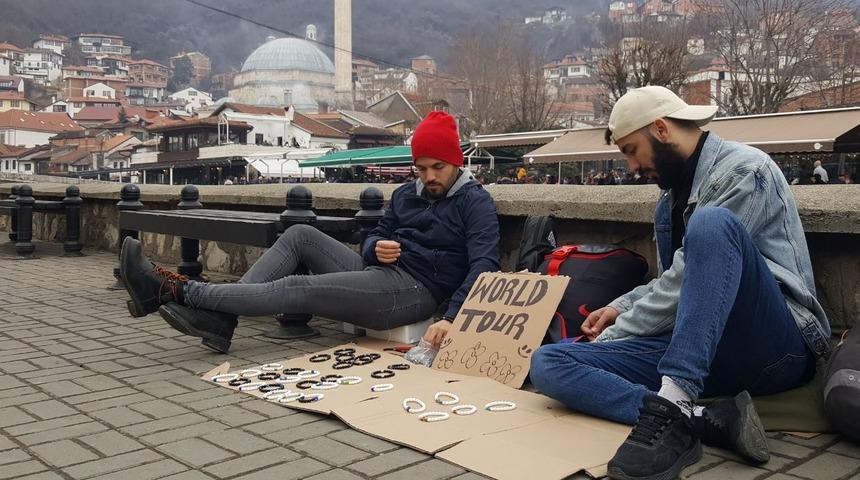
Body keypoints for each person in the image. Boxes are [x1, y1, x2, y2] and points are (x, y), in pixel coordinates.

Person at [529, 86, 830, 480]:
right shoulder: (668, 201)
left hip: (775, 349)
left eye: (631, 150)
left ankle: (673, 406)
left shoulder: (745, 170)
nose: (630, 167)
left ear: (660, 129)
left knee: (711, 224)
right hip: (704, 352)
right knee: (548, 362)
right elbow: (674, 279)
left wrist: (618, 331)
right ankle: (700, 418)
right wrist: (621, 306)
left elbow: (683, 281)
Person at [119, 111, 500, 353]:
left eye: (438, 167)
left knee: (298, 289)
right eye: (421, 168)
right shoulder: (405, 193)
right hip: (381, 272)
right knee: (299, 233)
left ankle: (174, 290)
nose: (429, 177)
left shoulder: (474, 202)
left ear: (456, 161)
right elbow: (375, 234)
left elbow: (484, 265)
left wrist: (451, 316)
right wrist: (374, 247)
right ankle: (221, 322)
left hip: (417, 292)